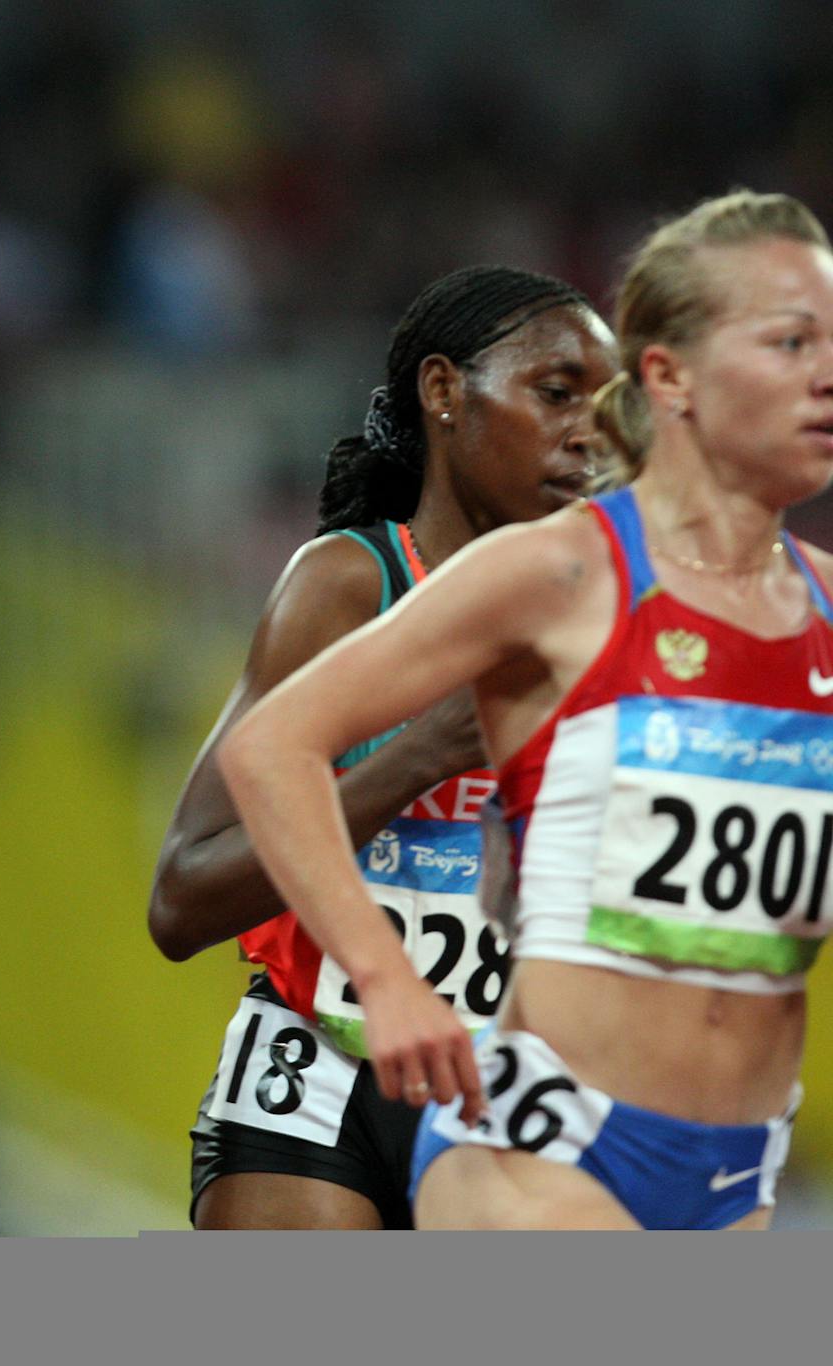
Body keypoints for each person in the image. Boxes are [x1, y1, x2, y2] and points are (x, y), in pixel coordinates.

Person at [219, 191, 833, 1229]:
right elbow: (269, 750)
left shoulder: (822, 601)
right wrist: (384, 974)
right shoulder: (553, 572)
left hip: (737, 1169)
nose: (826, 373)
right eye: (790, 340)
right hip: (538, 1145)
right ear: (670, 378)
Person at [154, 267, 617, 1229]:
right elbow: (182, 900)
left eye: (611, 408)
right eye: (557, 392)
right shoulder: (347, 588)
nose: (590, 432)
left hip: (523, 1101)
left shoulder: (627, 621)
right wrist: (423, 754)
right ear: (444, 391)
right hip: (320, 1079)